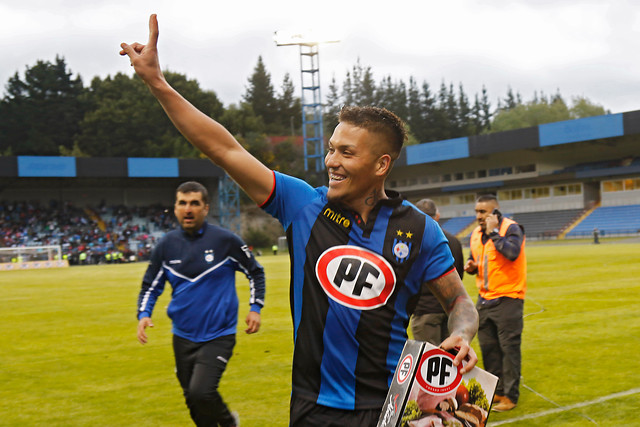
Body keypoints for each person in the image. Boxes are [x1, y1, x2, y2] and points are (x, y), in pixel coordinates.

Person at [121, 16, 478, 426]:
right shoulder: (303, 205)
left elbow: (459, 302)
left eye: (346, 152)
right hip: (313, 406)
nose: (331, 162)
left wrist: (463, 333)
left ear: (382, 164)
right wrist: (158, 84)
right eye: (331, 149)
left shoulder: (418, 229)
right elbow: (224, 149)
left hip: (390, 409)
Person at [136, 181, 265, 427]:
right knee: (192, 401)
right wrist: (144, 313)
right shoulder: (166, 245)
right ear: (175, 208)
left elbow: (255, 273)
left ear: (205, 208)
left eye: (194, 203)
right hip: (182, 336)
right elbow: (150, 285)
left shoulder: (226, 241)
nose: (188, 209)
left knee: (201, 391)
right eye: (182, 203)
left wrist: (255, 308)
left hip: (219, 334)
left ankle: (229, 423)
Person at [464, 194, 526, 412]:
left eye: (483, 212)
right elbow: (481, 263)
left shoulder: (511, 228)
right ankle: (497, 392)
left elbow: (511, 252)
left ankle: (510, 396)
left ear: (495, 212)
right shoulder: (474, 235)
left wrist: (492, 233)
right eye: (477, 212)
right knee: (489, 348)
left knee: (509, 349)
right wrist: (472, 267)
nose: (478, 216)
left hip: (508, 298)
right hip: (484, 299)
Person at [411, 199, 464, 345]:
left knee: (427, 362)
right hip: (449, 309)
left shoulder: (412, 241)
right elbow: (458, 275)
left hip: (424, 310)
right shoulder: (453, 240)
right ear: (437, 216)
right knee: (449, 361)